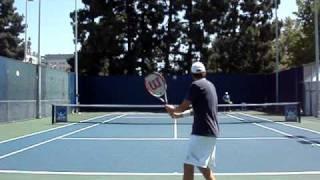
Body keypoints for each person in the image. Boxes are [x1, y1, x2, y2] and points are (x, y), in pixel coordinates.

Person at [165, 61, 219, 180]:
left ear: (192, 74)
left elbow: (183, 106)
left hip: (202, 132)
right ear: (204, 73)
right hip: (211, 132)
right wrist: (178, 115)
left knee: (188, 165)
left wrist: (174, 109)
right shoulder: (211, 86)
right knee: (203, 168)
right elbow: (197, 109)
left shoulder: (195, 85)